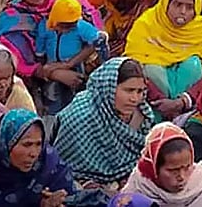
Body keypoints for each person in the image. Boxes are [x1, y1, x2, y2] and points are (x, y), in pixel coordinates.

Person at [54, 57, 160, 192]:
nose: (135, 99)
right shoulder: (80, 117)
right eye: (128, 90)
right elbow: (64, 168)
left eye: (139, 91)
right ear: (109, 87)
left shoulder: (142, 114)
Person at [122, 0, 202, 116]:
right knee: (152, 70)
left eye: (189, 7)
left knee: (193, 65)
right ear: (166, 3)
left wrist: (183, 101)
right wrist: (161, 101)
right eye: (177, 5)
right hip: (153, 105)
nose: (183, 12)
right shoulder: (146, 24)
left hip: (189, 105)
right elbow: (133, 65)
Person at [0, 109, 83, 207]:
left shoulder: (49, 163)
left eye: (38, 144)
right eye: (27, 144)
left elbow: (69, 195)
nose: (34, 153)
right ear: (5, 144)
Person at [114, 122, 202, 207]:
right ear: (154, 169)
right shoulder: (137, 189)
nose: (182, 176)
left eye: (187, 167)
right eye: (173, 170)